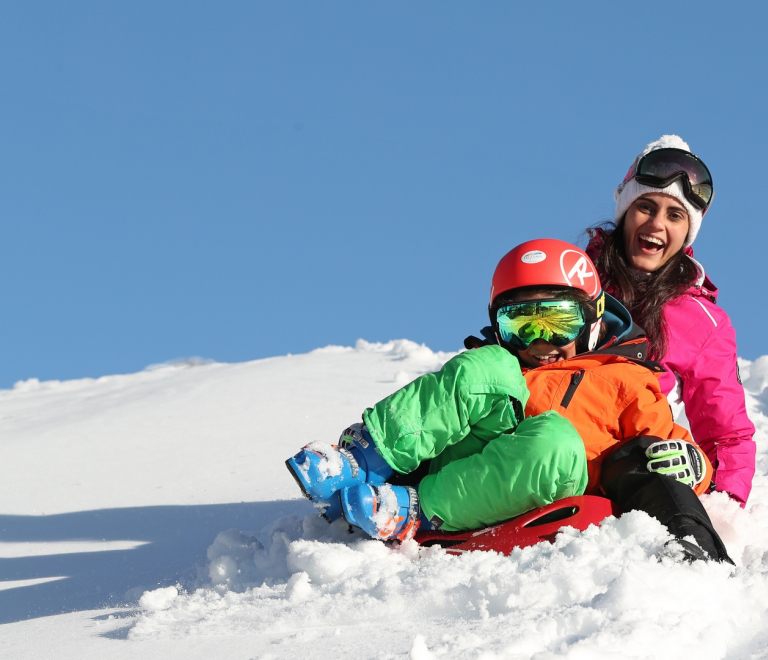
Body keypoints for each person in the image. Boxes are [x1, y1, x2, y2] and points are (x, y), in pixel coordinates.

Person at [286, 239, 731, 562]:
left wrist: (696, 463)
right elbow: (453, 400)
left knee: (555, 438)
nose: (541, 341)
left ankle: (408, 510)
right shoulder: (504, 363)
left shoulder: (627, 380)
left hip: (539, 476)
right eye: (522, 324)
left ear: (593, 320)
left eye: (558, 321)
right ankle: (363, 460)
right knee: (487, 367)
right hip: (463, 460)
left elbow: (662, 449)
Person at [585, 135, 755, 506]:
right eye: (646, 206)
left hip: (627, 463)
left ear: (687, 231)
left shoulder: (702, 321)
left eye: (675, 215)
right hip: (549, 438)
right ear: (626, 212)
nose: (657, 223)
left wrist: (721, 503)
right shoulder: (576, 280)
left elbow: (727, 434)